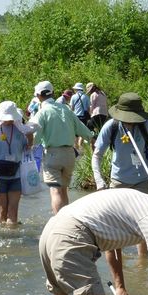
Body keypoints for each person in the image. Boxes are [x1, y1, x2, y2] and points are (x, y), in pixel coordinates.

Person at [92, 92, 148, 255]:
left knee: (143, 222)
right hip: (119, 181)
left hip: (143, 180)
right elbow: (97, 155)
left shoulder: (146, 125)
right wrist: (99, 181)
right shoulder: (111, 126)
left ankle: (143, 263)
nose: (130, 122)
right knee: (114, 224)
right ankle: (118, 264)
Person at [32, 81, 93, 214]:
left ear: (38, 96)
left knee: (55, 191)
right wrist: (93, 138)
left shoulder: (42, 113)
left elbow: (35, 137)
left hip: (53, 154)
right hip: (70, 154)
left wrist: (27, 147)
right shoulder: (66, 109)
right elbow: (84, 131)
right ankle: (67, 221)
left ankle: (58, 223)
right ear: (53, 93)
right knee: (64, 190)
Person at [0, 101, 36, 225]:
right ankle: (4, 238)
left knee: (13, 211)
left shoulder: (21, 128)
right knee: (3, 209)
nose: (8, 121)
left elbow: (28, 147)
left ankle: (12, 239)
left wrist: (30, 136)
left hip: (16, 173)